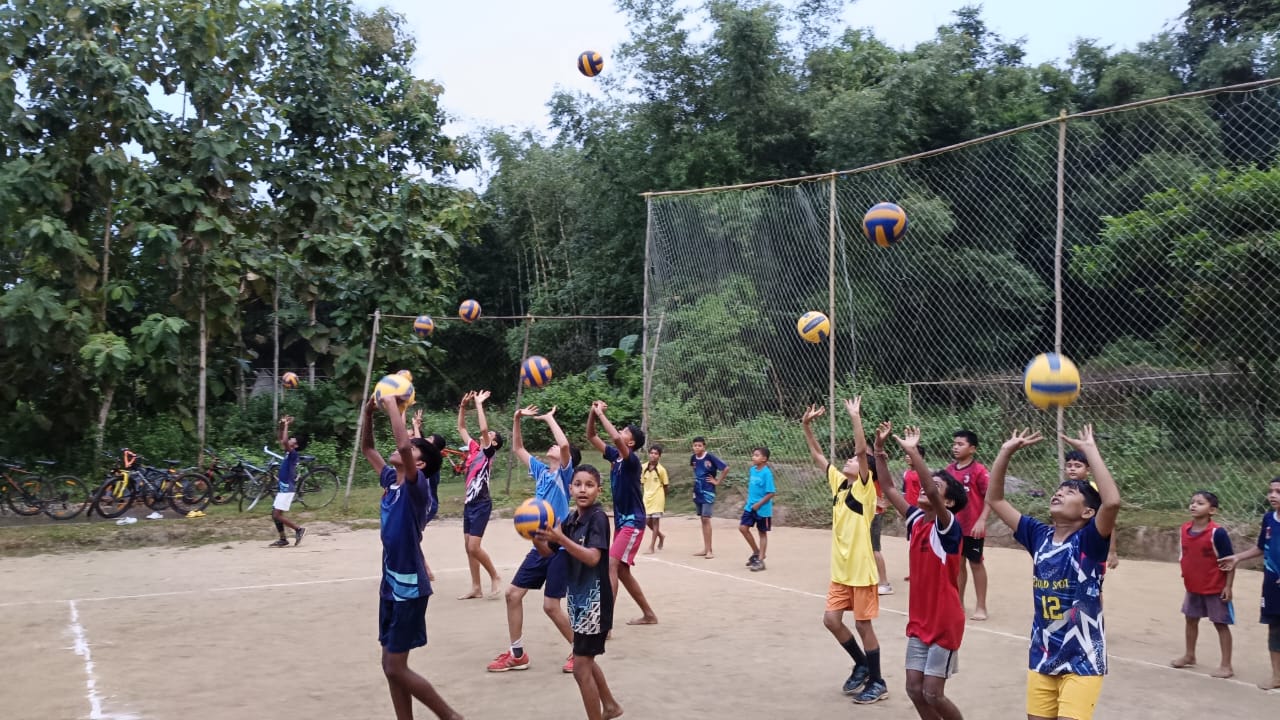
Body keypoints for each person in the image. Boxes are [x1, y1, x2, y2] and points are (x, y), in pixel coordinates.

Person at [986, 426, 1120, 720]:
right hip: (1043, 653)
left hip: (1083, 658)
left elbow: (1111, 503)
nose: (1059, 493)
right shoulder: (1039, 535)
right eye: (1059, 490)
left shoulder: (1089, 542)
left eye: (1070, 492)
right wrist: (1005, 451)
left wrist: (1090, 450)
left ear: (1087, 513)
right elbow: (995, 500)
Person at [361, 395, 463, 720]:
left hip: (409, 587)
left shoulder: (417, 492)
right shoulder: (392, 481)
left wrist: (393, 404)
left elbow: (403, 443)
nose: (404, 448)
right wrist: (367, 414)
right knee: (390, 666)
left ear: (419, 464)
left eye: (413, 450)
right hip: (390, 582)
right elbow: (368, 449)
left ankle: (450, 716)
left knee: (394, 665)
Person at [873, 422, 968, 720]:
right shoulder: (916, 520)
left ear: (948, 502)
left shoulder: (949, 527)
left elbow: (929, 488)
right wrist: (879, 450)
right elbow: (888, 487)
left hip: (944, 620)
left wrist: (914, 453)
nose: (929, 488)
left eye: (938, 487)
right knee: (914, 689)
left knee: (932, 692)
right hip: (920, 618)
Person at [802, 398, 887, 704]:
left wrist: (855, 417)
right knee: (831, 620)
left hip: (861, 571)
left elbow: (863, 454)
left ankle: (878, 682)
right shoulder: (839, 484)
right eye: (850, 459)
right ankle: (862, 664)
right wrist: (806, 425)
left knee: (864, 624)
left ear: (867, 472)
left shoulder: (864, 489)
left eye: (854, 459)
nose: (850, 460)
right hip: (841, 571)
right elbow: (817, 455)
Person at [487, 405, 579, 674]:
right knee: (513, 595)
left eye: (555, 447)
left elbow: (563, 445)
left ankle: (580, 651)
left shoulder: (565, 475)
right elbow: (517, 449)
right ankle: (517, 655)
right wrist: (516, 419)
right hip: (540, 545)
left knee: (551, 606)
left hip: (560, 546)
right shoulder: (541, 472)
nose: (552, 446)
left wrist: (550, 418)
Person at [534, 465, 623, 720]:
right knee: (584, 660)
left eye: (589, 484)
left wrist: (561, 539)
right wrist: (535, 535)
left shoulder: (597, 518)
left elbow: (594, 558)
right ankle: (610, 705)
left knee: (580, 668)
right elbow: (548, 553)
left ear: (598, 490)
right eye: (578, 484)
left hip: (595, 603)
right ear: (571, 488)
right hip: (579, 602)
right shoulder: (571, 520)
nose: (583, 489)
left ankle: (603, 711)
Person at [586, 401, 658, 626]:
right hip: (621, 522)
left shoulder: (631, 461)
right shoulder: (614, 457)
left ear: (631, 442)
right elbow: (591, 436)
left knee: (611, 565)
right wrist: (593, 413)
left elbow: (616, 439)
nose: (620, 432)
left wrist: (601, 414)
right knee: (623, 571)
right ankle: (649, 615)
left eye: (625, 431)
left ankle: (605, 623)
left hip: (633, 522)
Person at [1217, 476, 1280, 691]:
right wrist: (1237, 558)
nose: (1272, 495)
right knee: (1274, 627)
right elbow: (1262, 547)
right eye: (1271, 490)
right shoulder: (1269, 519)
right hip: (1272, 583)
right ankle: (1277, 676)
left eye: (1278, 491)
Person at [1170, 490, 1235, 679]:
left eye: (1200, 503)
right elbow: (1186, 555)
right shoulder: (1184, 529)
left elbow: (1229, 561)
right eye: (1192, 502)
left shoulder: (1217, 533)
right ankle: (1190, 655)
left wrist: (1228, 586)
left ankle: (1226, 665)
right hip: (1193, 586)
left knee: (1220, 623)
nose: (1194, 505)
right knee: (1190, 619)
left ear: (1212, 510)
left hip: (1215, 587)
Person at [456, 390, 502, 600]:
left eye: (491, 435)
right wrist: (463, 407)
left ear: (493, 443)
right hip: (469, 503)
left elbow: (483, 428)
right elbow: (462, 428)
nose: (487, 433)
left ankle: (495, 576)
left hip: (482, 503)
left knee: (474, 546)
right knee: (468, 548)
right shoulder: (474, 449)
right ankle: (476, 587)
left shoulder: (488, 452)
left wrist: (479, 404)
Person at [947, 430, 990, 620]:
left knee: (975, 563)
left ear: (972, 449)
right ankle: (958, 604)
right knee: (957, 565)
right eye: (954, 443)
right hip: (953, 526)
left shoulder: (979, 471)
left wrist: (982, 519)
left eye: (960, 444)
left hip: (972, 526)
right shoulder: (949, 470)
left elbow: (991, 497)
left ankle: (981, 607)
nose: (956, 447)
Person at [1065, 450, 1120, 570]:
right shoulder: (1063, 490)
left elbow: (1109, 519)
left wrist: (1111, 551)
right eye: (1069, 466)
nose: (1072, 469)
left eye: (1078, 466)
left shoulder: (1095, 489)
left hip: (1092, 540)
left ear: (1088, 470)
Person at [270, 415, 307, 548]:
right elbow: (281, 438)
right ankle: (283, 539)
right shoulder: (288, 452)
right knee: (275, 513)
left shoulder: (293, 454)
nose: (289, 439)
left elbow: (284, 440)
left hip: (286, 489)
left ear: (295, 445)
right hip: (284, 487)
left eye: (292, 439)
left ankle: (298, 529)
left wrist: (287, 425)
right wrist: (282, 424)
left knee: (277, 514)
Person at [690, 436, 728, 559]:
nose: (697, 447)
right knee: (702, 519)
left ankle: (710, 550)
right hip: (698, 491)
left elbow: (725, 468)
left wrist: (717, 481)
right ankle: (705, 548)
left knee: (706, 518)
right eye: (695, 445)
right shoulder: (693, 459)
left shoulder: (710, 457)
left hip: (708, 492)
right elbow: (695, 471)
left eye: (699, 445)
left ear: (704, 446)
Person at [740, 446, 776, 571]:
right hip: (750, 506)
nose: (753, 457)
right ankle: (756, 552)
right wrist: (752, 503)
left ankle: (760, 561)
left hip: (762, 509)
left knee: (762, 533)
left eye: (756, 455)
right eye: (753, 455)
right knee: (743, 528)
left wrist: (759, 504)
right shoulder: (752, 470)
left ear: (764, 459)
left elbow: (771, 493)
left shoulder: (767, 473)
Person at [642, 445, 669, 554]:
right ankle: (660, 536)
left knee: (655, 521)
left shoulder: (661, 470)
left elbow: (666, 485)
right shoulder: (643, 467)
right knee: (646, 521)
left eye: (656, 453)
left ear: (659, 456)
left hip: (658, 497)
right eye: (651, 453)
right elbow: (641, 483)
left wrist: (663, 499)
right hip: (646, 498)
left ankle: (652, 546)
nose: (653, 455)